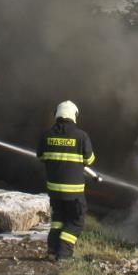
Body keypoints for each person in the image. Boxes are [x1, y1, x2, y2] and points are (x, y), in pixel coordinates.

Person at [37, 101, 94, 260]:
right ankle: (64, 254)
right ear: (73, 115)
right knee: (76, 221)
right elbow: (89, 160)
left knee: (58, 219)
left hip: (54, 190)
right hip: (74, 191)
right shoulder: (81, 136)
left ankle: (52, 250)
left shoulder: (47, 135)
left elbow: (41, 157)